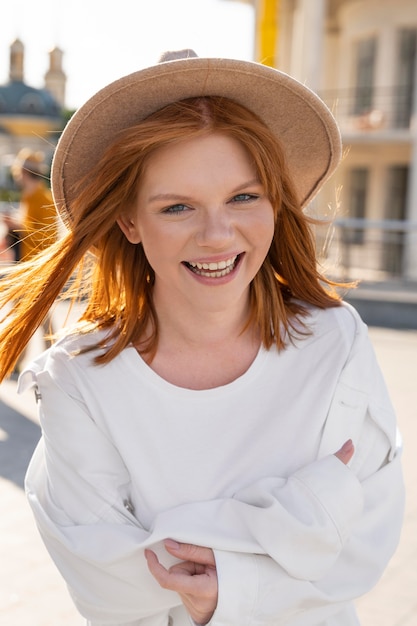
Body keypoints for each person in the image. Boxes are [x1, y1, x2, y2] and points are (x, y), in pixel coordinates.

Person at [0, 50, 404, 626]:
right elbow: (109, 591)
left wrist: (212, 574)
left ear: (273, 202)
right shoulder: (78, 380)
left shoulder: (333, 342)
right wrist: (307, 516)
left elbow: (364, 546)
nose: (217, 235)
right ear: (130, 221)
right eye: (178, 206)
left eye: (243, 196)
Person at [8, 149, 58, 261]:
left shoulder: (46, 201)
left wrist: (19, 227)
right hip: (25, 261)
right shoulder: (27, 198)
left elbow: (48, 238)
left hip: (38, 264)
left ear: (24, 172)